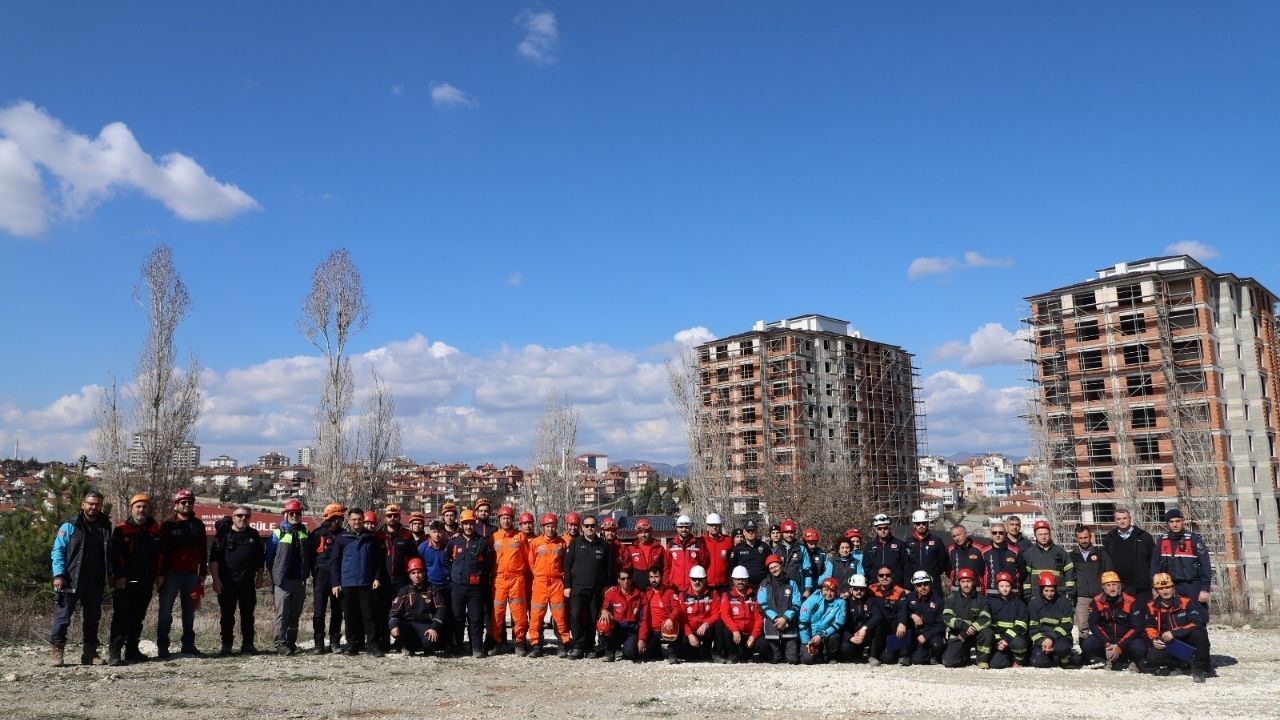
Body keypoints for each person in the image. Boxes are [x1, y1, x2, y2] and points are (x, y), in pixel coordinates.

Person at [49, 490, 111, 667]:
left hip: (95, 580)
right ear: (83, 504)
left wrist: (111, 574)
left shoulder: (105, 526)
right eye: (90, 503)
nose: (93, 507)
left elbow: (108, 553)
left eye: (97, 504)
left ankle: (90, 653)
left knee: (93, 618)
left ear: (101, 506)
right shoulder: (69, 526)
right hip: (70, 579)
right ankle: (57, 651)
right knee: (63, 616)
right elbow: (58, 551)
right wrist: (59, 575)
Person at [107, 494, 161, 666]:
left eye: (145, 507)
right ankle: (114, 653)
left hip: (145, 581)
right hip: (125, 582)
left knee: (138, 618)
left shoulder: (154, 530)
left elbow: (160, 555)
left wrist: (159, 574)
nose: (141, 510)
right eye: (138, 507)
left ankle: (132, 650)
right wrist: (120, 576)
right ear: (132, 508)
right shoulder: (122, 529)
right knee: (121, 617)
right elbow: (116, 556)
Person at [155, 488, 207, 658]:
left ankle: (188, 644)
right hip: (171, 574)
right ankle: (163, 646)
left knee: (189, 612)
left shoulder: (198, 525)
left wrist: (203, 572)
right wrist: (160, 574)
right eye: (183, 502)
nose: (187, 505)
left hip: (191, 574)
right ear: (176, 505)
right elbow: (161, 551)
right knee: (165, 611)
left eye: (190, 502)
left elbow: (203, 550)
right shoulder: (168, 525)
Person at [208, 505, 265, 656]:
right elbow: (214, 559)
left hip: (247, 581)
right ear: (233, 517)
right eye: (239, 515)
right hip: (227, 581)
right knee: (227, 614)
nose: (243, 518)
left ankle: (248, 645)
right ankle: (226, 645)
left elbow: (260, 558)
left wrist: (260, 577)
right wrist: (215, 579)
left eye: (246, 516)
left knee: (248, 614)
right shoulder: (224, 534)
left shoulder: (253, 534)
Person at [331, 509, 387, 657]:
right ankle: (352, 645)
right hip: (347, 583)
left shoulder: (371, 538)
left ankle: (373, 645)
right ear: (349, 521)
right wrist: (335, 582)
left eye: (359, 519)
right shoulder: (342, 538)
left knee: (369, 615)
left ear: (363, 520)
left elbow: (379, 561)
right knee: (350, 616)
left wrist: (377, 578)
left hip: (366, 583)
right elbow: (335, 562)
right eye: (354, 519)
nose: (357, 522)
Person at [1144, 572, 1210, 683]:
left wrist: (1174, 633)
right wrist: (1154, 640)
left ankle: (1199, 669)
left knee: (1200, 633)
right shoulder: (1151, 606)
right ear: (1156, 590)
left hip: (1187, 640)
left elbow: (1196, 623)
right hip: (1170, 644)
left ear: (1173, 587)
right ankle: (1180, 664)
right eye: (1161, 588)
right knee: (1152, 659)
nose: (1165, 591)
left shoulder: (1186, 602)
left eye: (1168, 587)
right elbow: (1149, 627)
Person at [266, 498, 312, 655]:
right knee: (282, 614)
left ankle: (291, 642)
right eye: (291, 513)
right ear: (285, 514)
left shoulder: (304, 532)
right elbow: (270, 557)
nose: (294, 516)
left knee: (295, 614)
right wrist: (275, 577)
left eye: (297, 513)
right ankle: (280, 643)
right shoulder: (278, 532)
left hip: (299, 580)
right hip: (282, 581)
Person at [446, 508, 492, 658]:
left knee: (476, 618)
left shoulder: (482, 542)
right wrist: (453, 576)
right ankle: (457, 647)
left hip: (475, 588)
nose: (468, 527)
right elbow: (446, 560)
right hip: (458, 586)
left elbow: (488, 563)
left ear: (475, 523)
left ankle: (476, 648)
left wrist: (480, 576)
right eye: (466, 524)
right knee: (457, 618)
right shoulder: (454, 541)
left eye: (471, 523)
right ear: (461, 524)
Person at [564, 514, 611, 659]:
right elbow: (567, 565)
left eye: (592, 526)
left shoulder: (603, 545)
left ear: (596, 527)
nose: (590, 528)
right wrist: (567, 585)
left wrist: (606, 586)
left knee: (591, 618)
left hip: (595, 589)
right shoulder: (575, 543)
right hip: (577, 588)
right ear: (582, 527)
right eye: (586, 526)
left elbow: (609, 568)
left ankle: (590, 646)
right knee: (576, 616)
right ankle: (578, 646)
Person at [527, 513, 571, 657]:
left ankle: (562, 645)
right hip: (540, 582)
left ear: (556, 527)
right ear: (543, 527)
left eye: (553, 526)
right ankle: (536, 645)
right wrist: (540, 575)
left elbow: (566, 562)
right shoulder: (535, 542)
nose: (550, 529)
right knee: (536, 616)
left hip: (557, 583)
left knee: (560, 615)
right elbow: (531, 562)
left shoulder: (562, 543)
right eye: (548, 526)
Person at [1151, 508, 1212, 613]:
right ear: (1167, 524)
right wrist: (1154, 586)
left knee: (1198, 616)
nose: (1175, 524)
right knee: (1174, 617)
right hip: (1169, 586)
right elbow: (1154, 565)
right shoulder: (1162, 540)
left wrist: (1205, 589)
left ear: (1182, 521)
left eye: (1178, 521)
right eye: (1171, 522)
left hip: (1192, 585)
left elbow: (1206, 565)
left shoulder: (1193, 539)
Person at [1082, 571, 1145, 671]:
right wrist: (1107, 643)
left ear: (1120, 586)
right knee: (1088, 643)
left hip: (1126, 640)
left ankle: (1133, 660)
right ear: (1103, 587)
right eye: (1108, 585)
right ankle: (1103, 659)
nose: (1112, 588)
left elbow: (1137, 627)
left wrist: (1119, 646)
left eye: (1114, 584)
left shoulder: (1131, 601)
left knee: (1139, 647)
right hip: (1107, 639)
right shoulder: (1097, 601)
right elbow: (1093, 624)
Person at [375, 504, 418, 652]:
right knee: (383, 611)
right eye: (389, 515)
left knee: (403, 612)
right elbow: (375, 559)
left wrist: (412, 578)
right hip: (384, 580)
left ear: (399, 517)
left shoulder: (406, 534)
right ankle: (384, 643)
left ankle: (402, 643)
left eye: (395, 515)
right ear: (385, 517)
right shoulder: (379, 534)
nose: (392, 518)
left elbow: (414, 557)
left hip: (402, 580)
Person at [491, 505, 530, 655]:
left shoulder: (520, 537)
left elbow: (528, 558)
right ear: (499, 520)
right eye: (503, 518)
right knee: (497, 612)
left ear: (512, 520)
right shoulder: (493, 537)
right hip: (499, 579)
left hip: (516, 579)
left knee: (519, 612)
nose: (506, 521)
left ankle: (519, 642)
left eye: (508, 518)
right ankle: (496, 642)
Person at [307, 502, 346, 655]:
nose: (342, 520)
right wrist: (312, 574)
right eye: (340, 517)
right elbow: (310, 556)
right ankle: (318, 643)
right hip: (321, 576)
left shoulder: (344, 535)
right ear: (333, 518)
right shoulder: (317, 534)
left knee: (337, 611)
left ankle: (335, 642)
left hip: (338, 577)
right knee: (319, 611)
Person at [388, 558, 446, 657]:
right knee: (398, 630)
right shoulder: (404, 591)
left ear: (423, 573)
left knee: (429, 641)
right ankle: (408, 647)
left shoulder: (432, 589)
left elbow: (441, 609)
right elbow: (394, 611)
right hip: (409, 625)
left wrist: (434, 627)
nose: (416, 576)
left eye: (419, 572)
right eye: (413, 573)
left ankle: (428, 648)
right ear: (410, 575)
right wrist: (393, 626)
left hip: (426, 625)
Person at [1102, 507, 1156, 603]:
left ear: (1130, 519)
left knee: (1143, 615)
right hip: (1119, 587)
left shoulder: (1144, 537)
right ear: (1115, 521)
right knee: (1122, 616)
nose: (1122, 521)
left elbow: (1154, 559)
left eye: (1124, 518)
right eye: (1119, 519)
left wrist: (1152, 580)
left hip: (1141, 586)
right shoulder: (1110, 538)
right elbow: (1106, 561)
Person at [1069, 525, 1113, 643]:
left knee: (1102, 624)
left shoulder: (1101, 554)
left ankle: (1105, 650)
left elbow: (1109, 573)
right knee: (1082, 627)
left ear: (1090, 537)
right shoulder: (1072, 556)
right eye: (1081, 538)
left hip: (1099, 596)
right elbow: (1069, 576)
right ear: (1076, 539)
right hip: (1081, 597)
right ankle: (1085, 654)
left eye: (1086, 537)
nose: (1084, 540)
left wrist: (1107, 592)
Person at [942, 568, 992, 668]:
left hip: (975, 635)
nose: (966, 584)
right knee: (949, 662)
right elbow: (947, 617)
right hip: (958, 634)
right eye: (963, 581)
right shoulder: (951, 599)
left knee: (988, 632)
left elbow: (986, 618)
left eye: (968, 581)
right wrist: (963, 626)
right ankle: (965, 655)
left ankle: (982, 660)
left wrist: (970, 629)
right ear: (959, 583)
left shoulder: (982, 600)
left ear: (973, 582)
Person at [756, 554, 801, 664]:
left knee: (792, 660)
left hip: (788, 623)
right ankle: (778, 652)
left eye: (776, 566)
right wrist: (776, 618)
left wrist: (785, 618)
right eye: (771, 568)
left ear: (781, 565)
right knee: (775, 659)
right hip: (773, 623)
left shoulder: (792, 583)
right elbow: (762, 604)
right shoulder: (764, 584)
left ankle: (789, 652)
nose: (774, 570)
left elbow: (797, 603)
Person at [417, 520, 453, 651]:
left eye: (440, 532)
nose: (437, 535)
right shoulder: (423, 547)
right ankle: (431, 642)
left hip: (446, 585)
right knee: (430, 614)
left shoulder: (448, 546)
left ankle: (448, 642)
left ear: (444, 532)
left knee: (447, 615)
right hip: (430, 585)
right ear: (430, 533)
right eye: (434, 532)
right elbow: (419, 566)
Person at [598, 567, 647, 662]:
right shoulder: (612, 593)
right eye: (623, 579)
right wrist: (604, 610)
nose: (626, 581)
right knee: (602, 623)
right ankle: (610, 650)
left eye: (628, 578)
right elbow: (605, 607)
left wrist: (642, 639)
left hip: (631, 630)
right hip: (616, 628)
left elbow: (643, 619)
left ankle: (622, 649)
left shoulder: (640, 596)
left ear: (632, 579)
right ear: (618, 580)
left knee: (631, 653)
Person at [1027, 571, 1073, 668]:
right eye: (1046, 591)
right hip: (1042, 639)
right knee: (1038, 662)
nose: (1049, 594)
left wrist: (1051, 638)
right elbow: (1033, 628)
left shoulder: (1064, 602)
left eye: (1052, 590)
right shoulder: (1034, 604)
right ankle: (1053, 657)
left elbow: (1067, 625)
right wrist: (1042, 643)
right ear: (1041, 590)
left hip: (1060, 638)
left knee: (1062, 648)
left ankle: (1065, 660)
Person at [673, 565, 718, 662]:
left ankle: (714, 652)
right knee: (690, 656)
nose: (697, 582)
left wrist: (706, 624)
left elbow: (717, 613)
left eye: (700, 579)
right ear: (690, 580)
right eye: (694, 579)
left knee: (719, 625)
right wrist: (689, 634)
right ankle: (675, 652)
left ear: (705, 580)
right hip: (689, 631)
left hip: (705, 630)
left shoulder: (712, 594)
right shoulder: (683, 595)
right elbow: (682, 619)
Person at [717, 566, 762, 663]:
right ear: (733, 580)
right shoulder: (727, 595)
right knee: (725, 630)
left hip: (750, 634)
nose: (740, 582)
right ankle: (732, 655)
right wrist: (734, 630)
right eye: (737, 579)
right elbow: (725, 615)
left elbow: (758, 618)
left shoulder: (754, 596)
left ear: (747, 580)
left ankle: (748, 654)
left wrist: (753, 636)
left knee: (763, 646)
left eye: (743, 579)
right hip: (736, 634)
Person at [1021, 519, 1076, 599]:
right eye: (1040, 534)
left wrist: (1070, 592)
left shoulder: (1060, 552)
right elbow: (1026, 578)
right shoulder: (1029, 553)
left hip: (1058, 594)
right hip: (1036, 596)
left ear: (1050, 534)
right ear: (1035, 536)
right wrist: (1028, 595)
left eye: (1046, 534)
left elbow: (1069, 572)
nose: (1043, 537)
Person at [869, 564, 910, 665]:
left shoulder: (899, 591)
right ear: (877, 577)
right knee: (876, 622)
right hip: (880, 627)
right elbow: (858, 593)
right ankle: (873, 656)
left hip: (894, 627)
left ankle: (904, 656)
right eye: (881, 575)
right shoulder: (870, 589)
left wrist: (902, 623)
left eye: (887, 575)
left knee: (888, 659)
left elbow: (903, 609)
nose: (884, 577)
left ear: (892, 576)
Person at [986, 571, 1028, 669]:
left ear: (1011, 586)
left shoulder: (1019, 603)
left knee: (1019, 643)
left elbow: (1021, 626)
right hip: (1000, 640)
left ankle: (1019, 661)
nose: (1004, 589)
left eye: (1007, 586)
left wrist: (1006, 639)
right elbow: (991, 626)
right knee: (996, 664)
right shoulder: (991, 603)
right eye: (1001, 586)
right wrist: (998, 641)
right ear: (997, 587)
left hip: (1015, 638)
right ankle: (1009, 656)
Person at [798, 577, 846, 665]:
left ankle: (830, 657)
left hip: (826, 634)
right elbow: (802, 623)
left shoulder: (841, 602)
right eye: (826, 590)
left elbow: (840, 622)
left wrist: (821, 635)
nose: (829, 593)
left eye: (832, 590)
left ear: (836, 592)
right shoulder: (811, 600)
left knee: (835, 636)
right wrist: (807, 643)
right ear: (821, 589)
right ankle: (817, 654)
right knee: (807, 659)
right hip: (810, 636)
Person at [839, 574, 882, 664]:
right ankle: (857, 656)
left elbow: (878, 615)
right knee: (845, 650)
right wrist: (851, 637)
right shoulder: (845, 602)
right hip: (852, 635)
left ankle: (873, 656)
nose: (859, 591)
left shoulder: (871, 600)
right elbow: (842, 624)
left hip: (866, 633)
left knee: (878, 626)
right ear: (851, 590)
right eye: (856, 589)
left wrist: (864, 629)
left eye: (862, 589)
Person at [905, 571, 945, 666]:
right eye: (919, 585)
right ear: (915, 587)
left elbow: (942, 624)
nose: (923, 587)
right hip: (915, 634)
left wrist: (926, 636)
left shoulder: (938, 600)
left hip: (932, 634)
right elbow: (900, 612)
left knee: (937, 645)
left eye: (925, 584)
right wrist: (912, 615)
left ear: (930, 584)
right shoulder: (909, 598)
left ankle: (936, 656)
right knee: (917, 660)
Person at [644, 566, 682, 662]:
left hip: (667, 627)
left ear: (661, 577)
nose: (654, 579)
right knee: (649, 656)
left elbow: (677, 608)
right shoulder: (646, 593)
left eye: (656, 576)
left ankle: (673, 653)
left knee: (674, 625)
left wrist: (670, 618)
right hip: (652, 630)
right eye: (651, 577)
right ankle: (656, 650)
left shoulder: (669, 592)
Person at [906, 510, 948, 594]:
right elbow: (906, 563)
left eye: (923, 523)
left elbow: (944, 561)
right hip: (915, 583)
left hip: (933, 583)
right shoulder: (908, 542)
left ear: (927, 523)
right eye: (918, 523)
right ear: (914, 525)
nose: (921, 526)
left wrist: (934, 572)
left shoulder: (936, 540)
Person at [981, 521, 1026, 597]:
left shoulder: (1015, 551)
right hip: (992, 594)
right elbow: (980, 574)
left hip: (1012, 594)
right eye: (994, 533)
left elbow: (1023, 573)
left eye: (1001, 533)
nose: (998, 535)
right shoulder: (983, 552)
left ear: (1005, 534)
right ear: (991, 535)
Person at [665, 515, 706, 594]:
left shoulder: (698, 545)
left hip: (693, 586)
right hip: (675, 587)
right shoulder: (670, 545)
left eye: (686, 527)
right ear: (677, 528)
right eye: (681, 527)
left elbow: (703, 563)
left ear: (691, 528)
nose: (684, 529)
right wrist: (667, 584)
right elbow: (667, 567)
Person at [772, 520, 813, 597]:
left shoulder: (801, 549)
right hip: (779, 587)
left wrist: (807, 590)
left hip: (797, 588)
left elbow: (807, 571)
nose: (789, 535)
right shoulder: (776, 550)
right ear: (782, 533)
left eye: (791, 532)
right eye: (786, 532)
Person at [865, 514, 907, 586]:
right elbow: (866, 567)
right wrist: (872, 580)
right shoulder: (869, 546)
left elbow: (906, 567)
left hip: (896, 586)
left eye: (885, 528)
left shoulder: (900, 544)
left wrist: (907, 587)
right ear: (875, 530)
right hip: (876, 587)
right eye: (880, 528)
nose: (883, 531)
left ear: (889, 528)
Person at [623, 518, 665, 590]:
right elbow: (627, 571)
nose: (643, 535)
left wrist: (664, 584)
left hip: (655, 589)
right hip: (637, 589)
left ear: (651, 532)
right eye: (640, 532)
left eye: (646, 532)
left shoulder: (659, 548)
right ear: (636, 534)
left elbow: (666, 569)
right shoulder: (631, 549)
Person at [729, 519, 772, 586]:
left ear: (757, 531)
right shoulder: (738, 548)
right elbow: (732, 567)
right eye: (748, 530)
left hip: (763, 585)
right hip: (744, 587)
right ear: (744, 532)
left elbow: (770, 566)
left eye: (753, 530)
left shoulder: (765, 547)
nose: (751, 533)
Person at [947, 525, 987, 593]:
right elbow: (947, 569)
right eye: (954, 536)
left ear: (966, 534)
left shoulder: (980, 549)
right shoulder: (950, 550)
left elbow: (985, 569)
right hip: (957, 590)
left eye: (959, 535)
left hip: (976, 589)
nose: (957, 538)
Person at [702, 513, 734, 593]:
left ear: (720, 526)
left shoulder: (728, 540)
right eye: (712, 525)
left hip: (723, 584)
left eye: (717, 525)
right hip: (706, 584)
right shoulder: (701, 541)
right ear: (708, 526)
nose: (714, 527)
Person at [802, 528, 827, 593]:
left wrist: (817, 582)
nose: (813, 546)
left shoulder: (822, 554)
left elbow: (826, 572)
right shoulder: (800, 552)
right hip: (802, 587)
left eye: (815, 544)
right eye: (811, 544)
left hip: (817, 587)